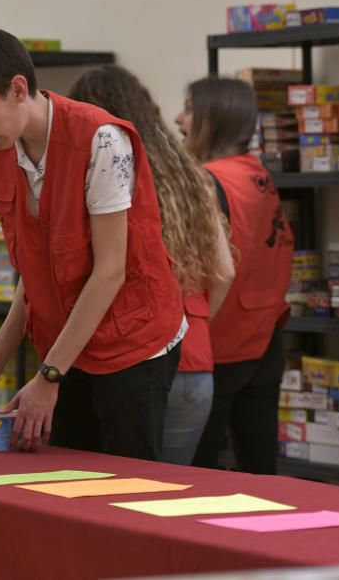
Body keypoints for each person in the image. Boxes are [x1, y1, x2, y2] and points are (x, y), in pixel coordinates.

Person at [0, 26, 185, 461]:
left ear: (17, 89)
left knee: (127, 495)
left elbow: (110, 271)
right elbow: (32, 272)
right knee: (67, 486)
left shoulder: (102, 140)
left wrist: (49, 375)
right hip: (69, 350)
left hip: (133, 347)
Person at [69, 66, 235, 465]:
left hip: (129, 360)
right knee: (163, 502)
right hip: (195, 362)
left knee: (112, 500)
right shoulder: (191, 175)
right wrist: (190, 326)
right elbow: (225, 271)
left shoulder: (105, 173)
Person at [175, 77, 294, 474]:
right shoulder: (258, 175)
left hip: (219, 346)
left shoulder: (208, 181)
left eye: (190, 109)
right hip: (264, 340)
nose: (179, 119)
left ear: (217, 118)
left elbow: (210, 270)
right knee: (261, 475)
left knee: (197, 478)